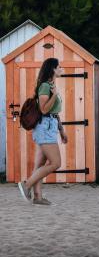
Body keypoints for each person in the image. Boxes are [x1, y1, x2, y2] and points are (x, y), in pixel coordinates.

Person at [18, 58, 68, 205]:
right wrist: (54, 95)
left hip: (49, 126)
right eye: (59, 66)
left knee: (39, 165)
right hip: (45, 127)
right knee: (56, 163)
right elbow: (44, 109)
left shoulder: (50, 85)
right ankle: (26, 185)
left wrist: (61, 130)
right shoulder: (46, 86)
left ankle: (38, 197)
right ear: (53, 69)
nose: (61, 68)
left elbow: (54, 112)